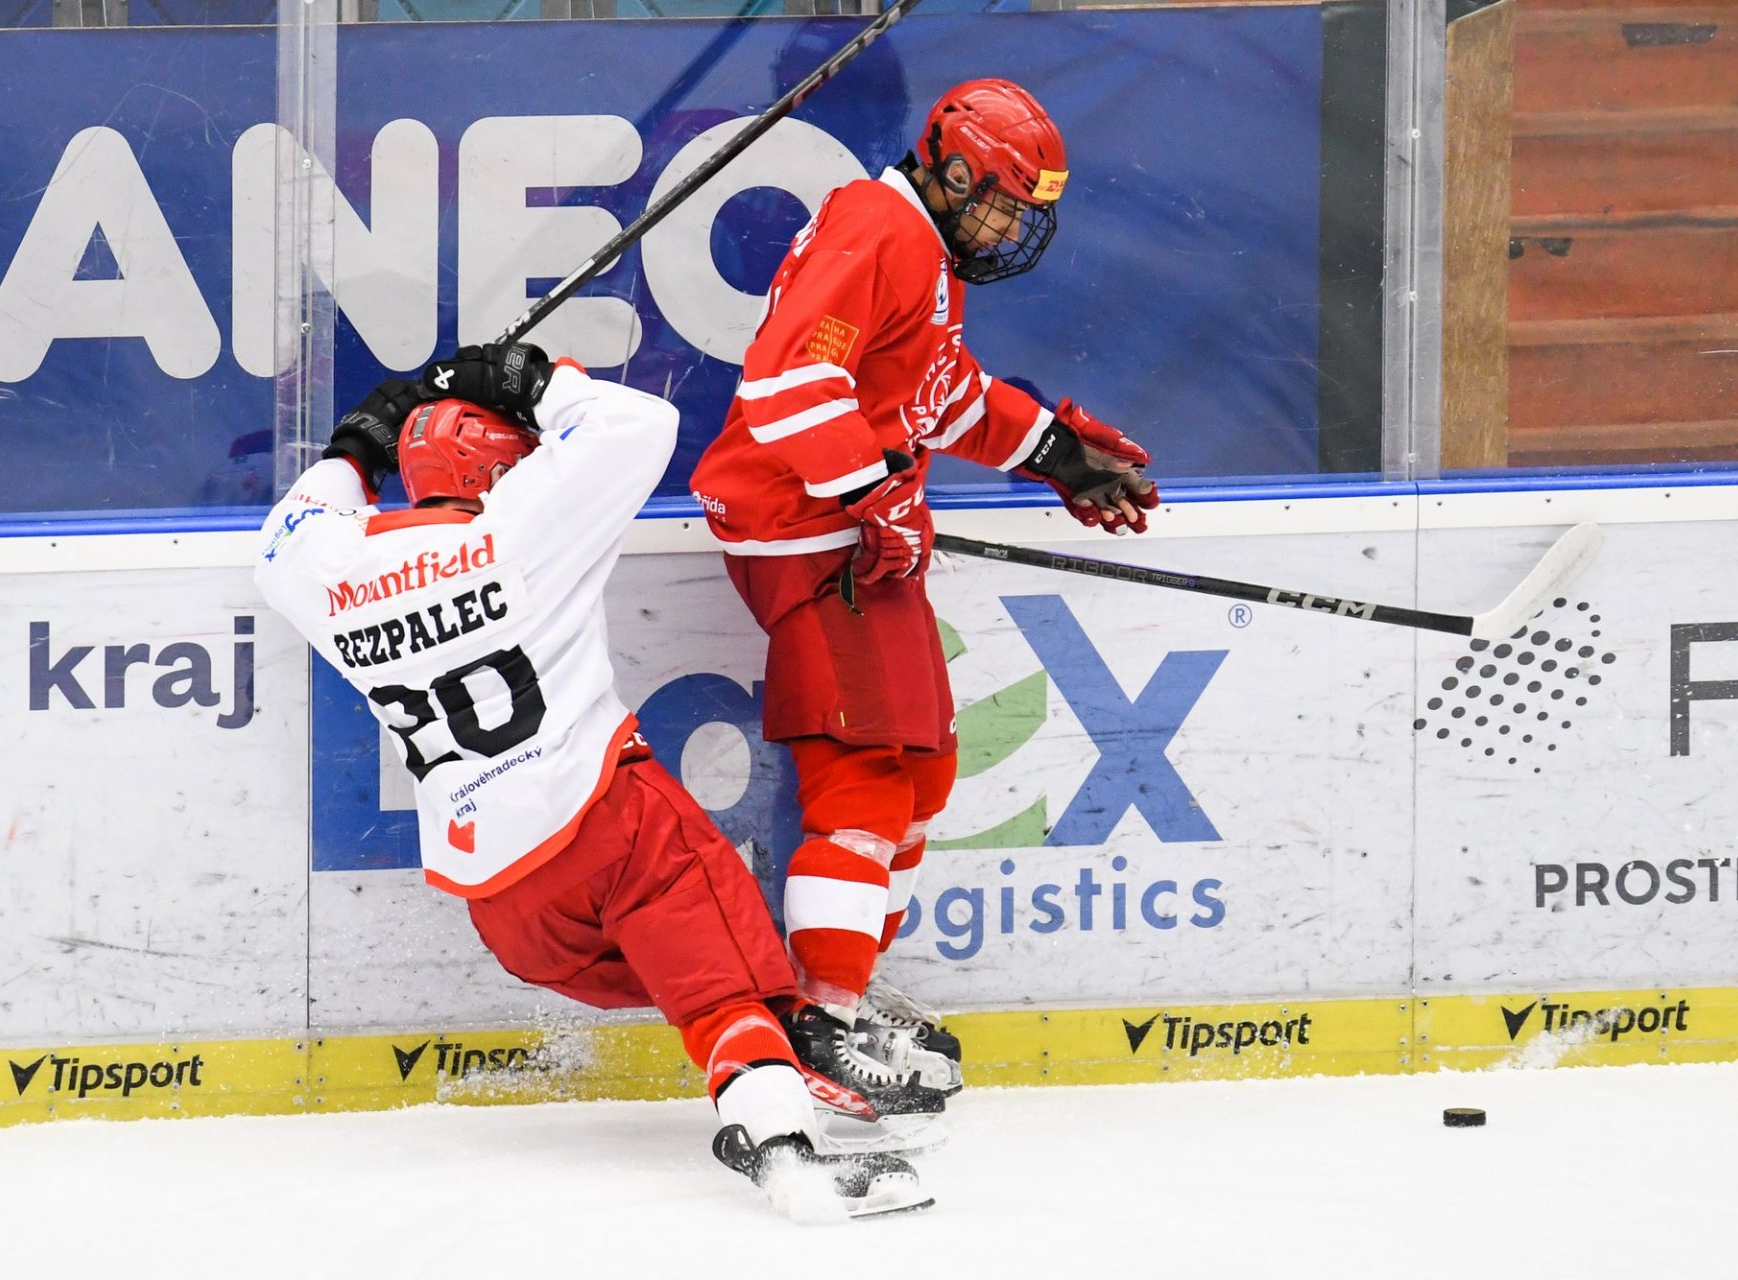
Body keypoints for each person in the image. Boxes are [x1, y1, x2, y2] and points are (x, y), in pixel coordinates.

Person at [254, 346, 934, 1221]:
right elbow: (637, 423)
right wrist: (522, 377)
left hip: (506, 906)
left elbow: (286, 534)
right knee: (722, 994)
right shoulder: (518, 528)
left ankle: (780, 1056)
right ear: (497, 470)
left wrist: (358, 446)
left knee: (714, 980)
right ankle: (784, 1148)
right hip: (610, 826)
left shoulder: (329, 570)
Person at [689, 78, 1161, 1089]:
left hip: (852, 537)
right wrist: (874, 492)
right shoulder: (878, 226)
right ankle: (823, 1020)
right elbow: (786, 383)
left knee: (923, 771)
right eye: (1001, 204)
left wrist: (1059, 454)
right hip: (809, 535)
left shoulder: (923, 250)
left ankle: (847, 988)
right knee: (866, 775)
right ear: (951, 171)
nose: (1010, 230)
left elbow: (937, 396)